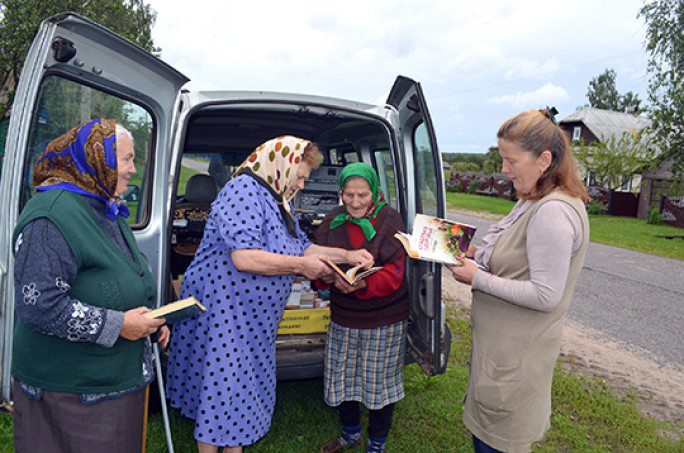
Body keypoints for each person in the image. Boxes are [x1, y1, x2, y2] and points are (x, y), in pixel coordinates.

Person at [165, 136, 372, 453]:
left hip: (250, 320)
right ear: (282, 165)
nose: (301, 185)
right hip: (224, 315)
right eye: (300, 176)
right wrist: (303, 267)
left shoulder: (278, 199)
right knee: (222, 392)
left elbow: (304, 246)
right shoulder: (243, 190)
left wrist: (347, 254)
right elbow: (244, 257)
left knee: (241, 392)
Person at [11, 118, 170, 452]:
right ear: (97, 159)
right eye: (126, 159)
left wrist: (150, 321)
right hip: (70, 393)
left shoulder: (101, 206)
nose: (132, 169)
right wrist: (121, 325)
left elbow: (116, 276)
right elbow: (40, 306)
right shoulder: (51, 215)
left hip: (110, 380)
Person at [449, 108, 591, 453]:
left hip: (514, 364)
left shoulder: (553, 212)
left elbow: (545, 295)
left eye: (511, 160)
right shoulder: (534, 199)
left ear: (543, 160)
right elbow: (509, 255)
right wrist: (463, 251)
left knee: (496, 444)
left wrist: (475, 278)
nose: (503, 169)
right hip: (502, 357)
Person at [314, 162, 409, 453]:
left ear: (375, 192)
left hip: (385, 319)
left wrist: (364, 285)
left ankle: (376, 443)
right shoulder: (331, 222)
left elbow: (396, 272)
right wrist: (327, 280)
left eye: (363, 195)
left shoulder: (390, 220)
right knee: (343, 378)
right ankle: (351, 434)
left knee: (380, 384)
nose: (355, 202)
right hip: (344, 316)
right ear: (340, 192)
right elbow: (317, 266)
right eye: (348, 195)